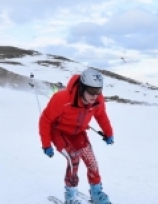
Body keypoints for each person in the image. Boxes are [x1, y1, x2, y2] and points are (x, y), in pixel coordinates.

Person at [38, 68, 114, 204]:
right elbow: (45, 120)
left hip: (78, 133)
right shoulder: (62, 99)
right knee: (74, 159)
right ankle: (71, 196)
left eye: (98, 91)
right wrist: (46, 144)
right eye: (91, 91)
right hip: (59, 133)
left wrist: (109, 133)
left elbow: (101, 116)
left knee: (92, 162)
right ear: (82, 88)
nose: (95, 95)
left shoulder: (97, 100)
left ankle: (96, 192)